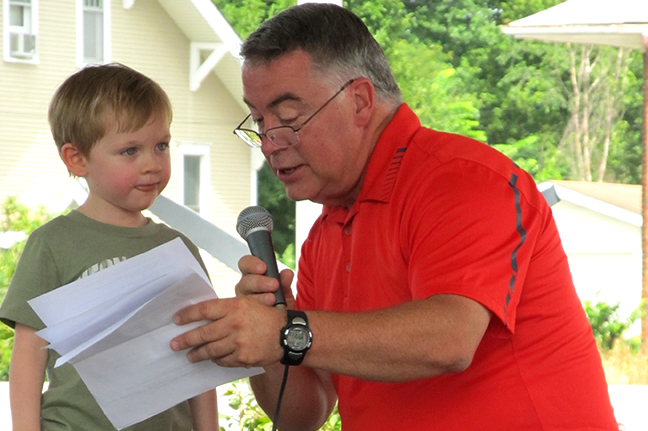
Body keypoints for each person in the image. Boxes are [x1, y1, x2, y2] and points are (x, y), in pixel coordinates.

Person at [170, 4, 618, 430]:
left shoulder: (463, 180)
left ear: (361, 102)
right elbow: (304, 415)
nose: (270, 142)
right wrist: (268, 335)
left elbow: (449, 339)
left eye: (287, 117)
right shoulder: (324, 235)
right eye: (258, 122)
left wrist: (285, 331)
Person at [0, 63, 218, 431]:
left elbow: (200, 354)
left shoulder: (179, 248)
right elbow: (27, 359)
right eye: (130, 151)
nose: (152, 164)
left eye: (161, 145)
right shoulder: (52, 244)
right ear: (77, 159)